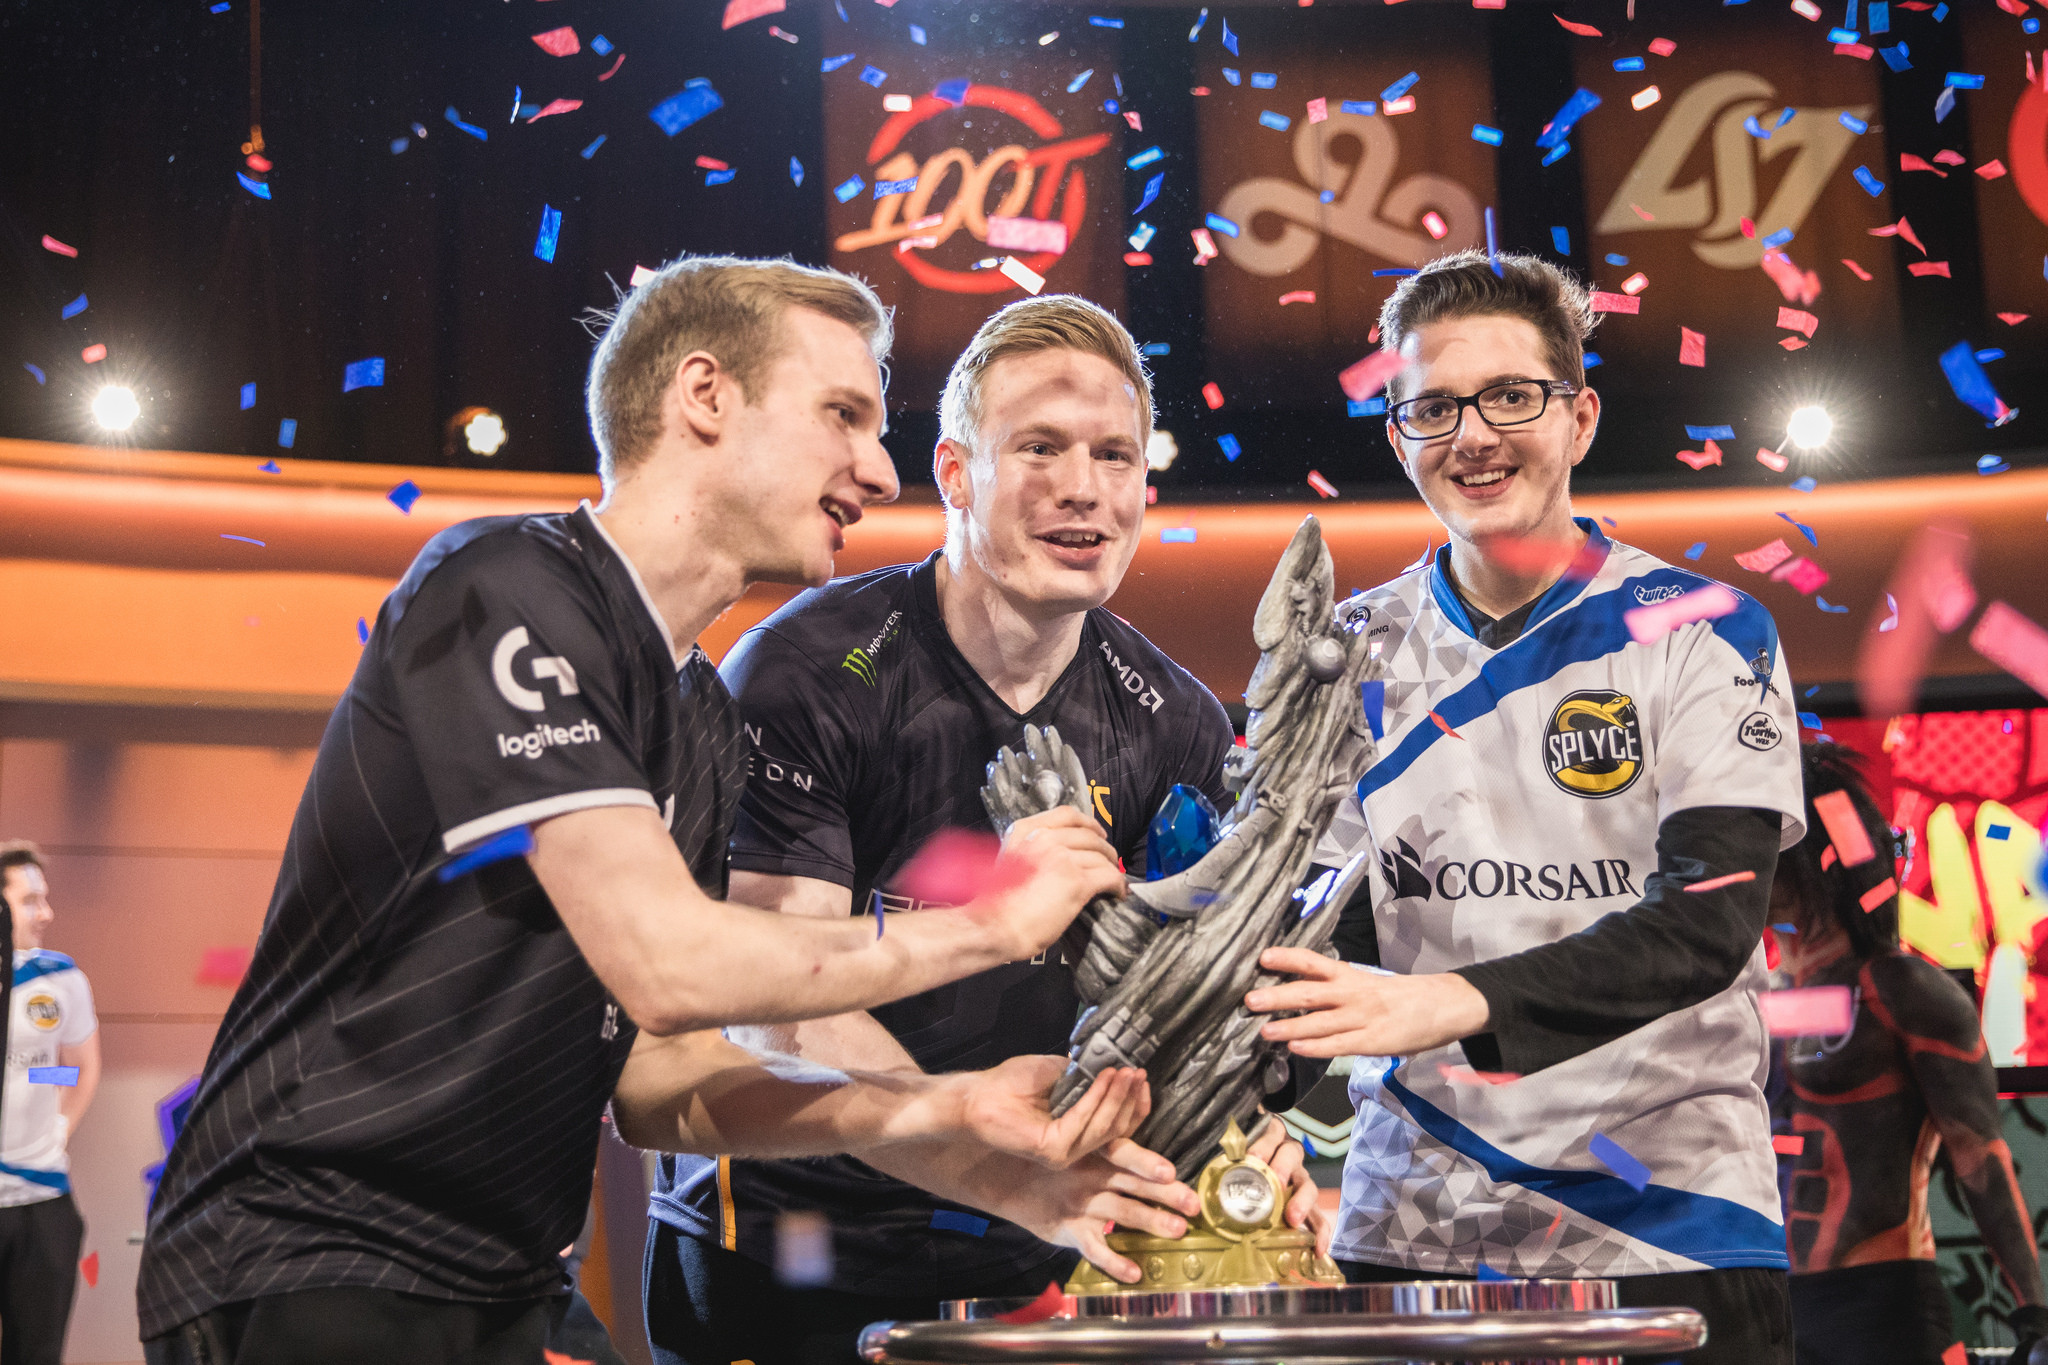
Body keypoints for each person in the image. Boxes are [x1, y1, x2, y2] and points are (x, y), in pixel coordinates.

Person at [136, 257, 1194, 1365]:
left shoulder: (699, 713)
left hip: (508, 1278)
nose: (879, 472)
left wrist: (950, 1113)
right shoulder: (504, 585)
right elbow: (667, 962)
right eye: (842, 415)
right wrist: (989, 923)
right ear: (705, 396)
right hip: (313, 1254)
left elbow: (659, 1084)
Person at [642, 294, 1320, 1365]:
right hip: (792, 1248)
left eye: (1113, 454)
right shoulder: (806, 671)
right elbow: (775, 1006)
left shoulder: (1178, 719)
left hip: (1033, 1244)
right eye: (1039, 447)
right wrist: (985, 1153)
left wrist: (1246, 1141)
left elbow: (1192, 997)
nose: (1082, 488)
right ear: (954, 474)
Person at [1243, 250, 1806, 1363]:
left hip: (1668, 1225)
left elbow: (1708, 924)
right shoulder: (1343, 652)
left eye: (1510, 396)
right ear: (1398, 434)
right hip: (1413, 1226)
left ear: (1579, 418)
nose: (1472, 436)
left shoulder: (1699, 625)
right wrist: (1235, 1097)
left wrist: (1442, 1002)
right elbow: (1315, 935)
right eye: (1433, 407)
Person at [1769, 741, 2048, 1365]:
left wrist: (2034, 1312)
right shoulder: (1760, 999)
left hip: (1883, 1303)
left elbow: (1979, 1156)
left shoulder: (1902, 989)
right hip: (1775, 1302)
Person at [0, 841, 101, 1365]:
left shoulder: (61, 978)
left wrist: (41, 1086)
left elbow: (76, 1068)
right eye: (29, 901)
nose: (46, 913)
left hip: (44, 1204)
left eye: (44, 899)